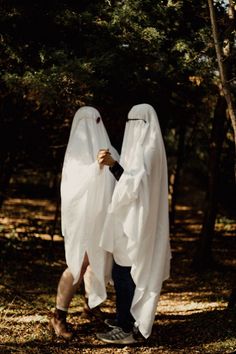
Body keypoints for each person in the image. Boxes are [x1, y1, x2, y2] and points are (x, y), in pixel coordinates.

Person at [96, 103, 171, 344]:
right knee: (121, 271)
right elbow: (129, 178)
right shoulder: (140, 149)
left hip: (140, 223)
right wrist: (114, 164)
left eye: (135, 122)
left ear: (146, 124)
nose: (131, 128)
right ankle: (122, 318)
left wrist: (113, 165)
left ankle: (127, 329)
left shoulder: (149, 150)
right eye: (129, 122)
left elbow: (136, 186)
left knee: (129, 272)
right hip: (130, 220)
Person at [49, 106, 118, 339]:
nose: (93, 127)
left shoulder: (109, 148)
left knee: (95, 260)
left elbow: (121, 173)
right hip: (81, 218)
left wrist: (109, 163)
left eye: (96, 121)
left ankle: (92, 306)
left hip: (101, 216)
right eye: (88, 122)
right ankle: (58, 315)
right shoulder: (74, 156)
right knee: (78, 263)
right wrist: (96, 167)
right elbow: (72, 189)